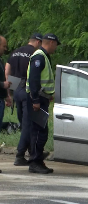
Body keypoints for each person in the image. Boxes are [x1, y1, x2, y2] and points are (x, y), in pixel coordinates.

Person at [5, 33, 45, 166]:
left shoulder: (16, 52)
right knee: (28, 124)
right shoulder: (35, 53)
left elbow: (7, 70)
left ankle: (31, 150)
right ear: (38, 42)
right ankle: (20, 155)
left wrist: (8, 91)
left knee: (24, 123)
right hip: (26, 87)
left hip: (15, 86)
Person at [26, 33, 60, 174]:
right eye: (56, 45)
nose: (56, 48)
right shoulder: (39, 57)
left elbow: (42, 80)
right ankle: (35, 161)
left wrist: (47, 95)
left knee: (40, 131)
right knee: (39, 132)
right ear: (51, 43)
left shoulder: (43, 56)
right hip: (37, 100)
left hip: (41, 98)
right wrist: (35, 100)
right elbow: (34, 80)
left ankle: (38, 160)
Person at [0, 35, 12, 174]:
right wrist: (2, 84)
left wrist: (7, 95)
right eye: (3, 46)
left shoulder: (1, 60)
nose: (5, 49)